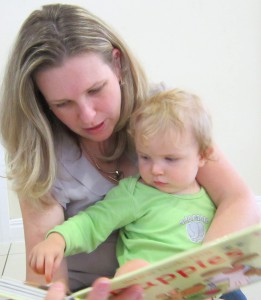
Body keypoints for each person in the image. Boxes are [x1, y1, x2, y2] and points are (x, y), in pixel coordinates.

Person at [0, 3, 259, 299]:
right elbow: (46, 276)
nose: (88, 116)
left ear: (117, 64)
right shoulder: (41, 157)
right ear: (42, 101)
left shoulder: (162, 116)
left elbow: (238, 199)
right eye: (63, 104)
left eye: (96, 89)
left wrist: (198, 279)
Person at [29, 89, 217, 283]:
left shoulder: (211, 200)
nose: (156, 170)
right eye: (145, 157)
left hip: (194, 290)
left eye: (170, 159)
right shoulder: (135, 193)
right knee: (135, 269)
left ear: (202, 156)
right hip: (144, 291)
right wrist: (58, 240)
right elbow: (92, 222)